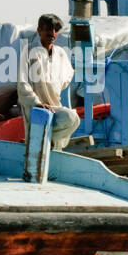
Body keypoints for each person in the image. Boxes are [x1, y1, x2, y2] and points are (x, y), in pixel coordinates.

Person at [17, 13, 80, 158]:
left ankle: (45, 139)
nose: (52, 34)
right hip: (35, 108)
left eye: (55, 30)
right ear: (39, 30)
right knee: (71, 118)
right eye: (48, 29)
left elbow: (68, 75)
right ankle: (41, 139)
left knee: (73, 119)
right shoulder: (29, 51)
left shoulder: (60, 53)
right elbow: (22, 83)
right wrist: (37, 103)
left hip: (53, 105)